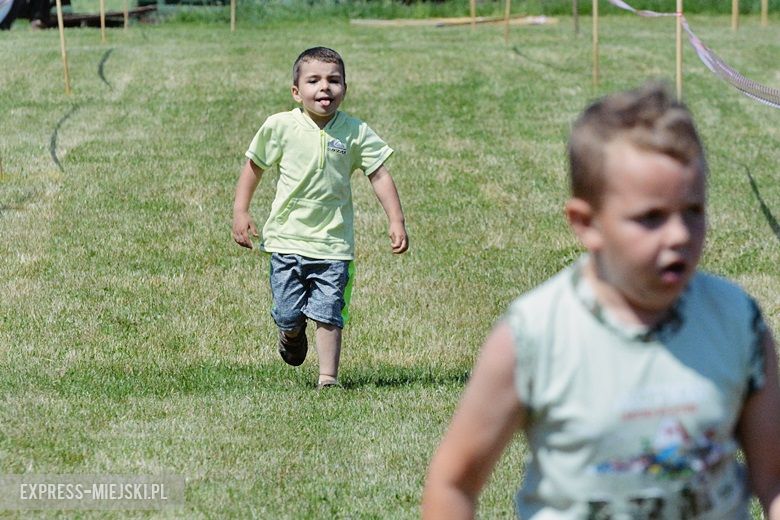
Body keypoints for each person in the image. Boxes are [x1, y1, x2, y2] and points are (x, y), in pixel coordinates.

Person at [422, 82, 780, 519]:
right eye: (650, 218)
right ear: (586, 223)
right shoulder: (535, 334)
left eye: (693, 210)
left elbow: (773, 476)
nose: (680, 236)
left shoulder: (737, 322)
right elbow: (454, 481)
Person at [232, 46, 408, 390]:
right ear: (296, 92)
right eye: (314, 80)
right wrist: (241, 211)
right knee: (287, 312)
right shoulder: (279, 126)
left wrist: (396, 219)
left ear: (345, 88)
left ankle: (328, 377)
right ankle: (292, 333)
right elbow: (254, 167)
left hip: (334, 244)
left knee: (330, 313)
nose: (324, 87)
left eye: (334, 80)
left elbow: (380, 174)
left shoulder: (355, 131)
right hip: (286, 239)